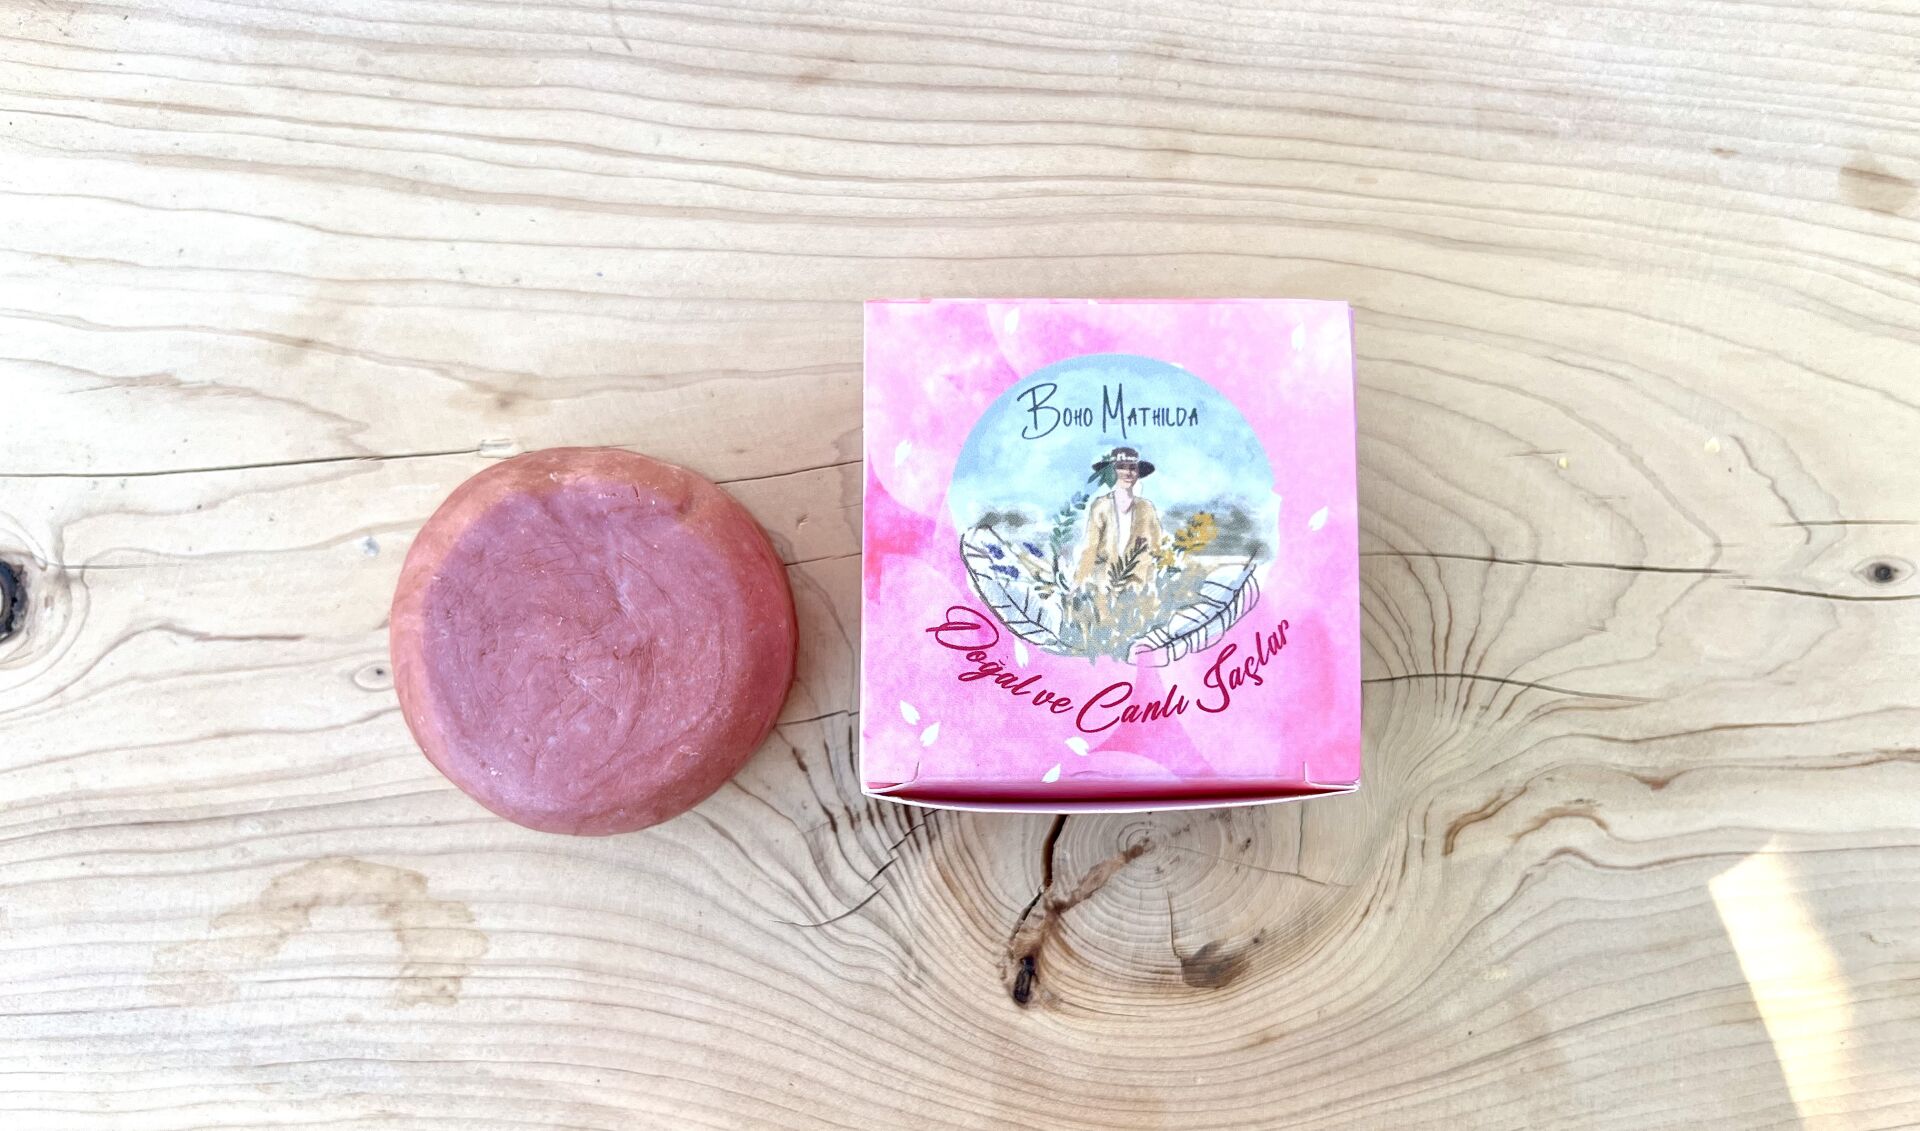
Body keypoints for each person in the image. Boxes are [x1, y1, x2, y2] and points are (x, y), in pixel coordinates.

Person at [1073, 447, 1165, 599]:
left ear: (1138, 473)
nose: (1128, 473)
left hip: (1138, 585)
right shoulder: (1100, 506)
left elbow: (1157, 547)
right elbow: (1090, 548)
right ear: (1111, 472)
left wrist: (1153, 581)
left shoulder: (1146, 508)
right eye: (1121, 467)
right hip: (1103, 583)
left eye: (1132, 468)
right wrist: (1078, 581)